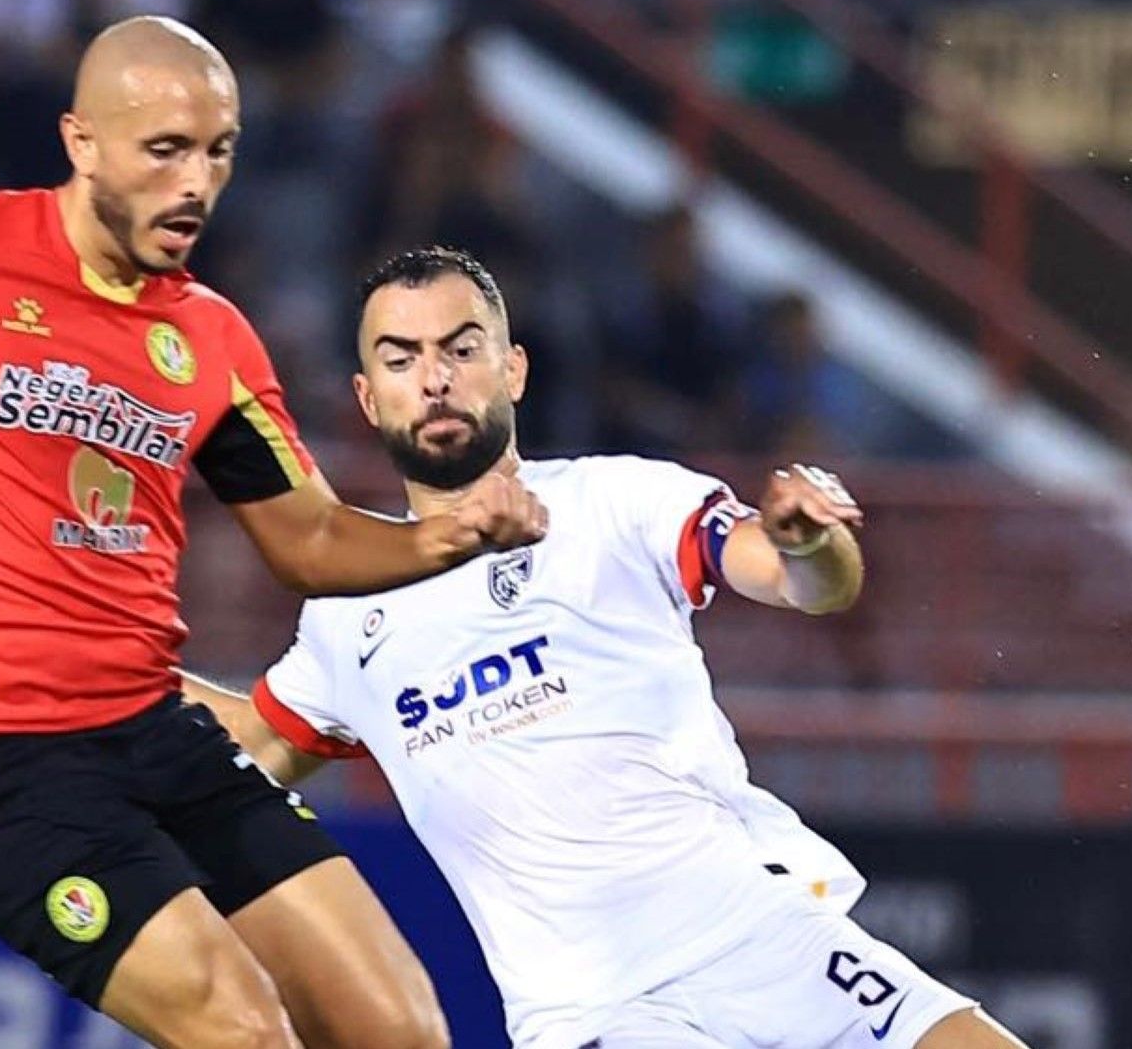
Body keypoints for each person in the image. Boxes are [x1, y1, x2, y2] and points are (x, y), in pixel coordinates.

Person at [0, 18, 547, 1049]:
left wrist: (451, 534)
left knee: (402, 1030)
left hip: (154, 731)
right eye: (166, 151)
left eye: (220, 151)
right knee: (243, 1033)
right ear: (81, 141)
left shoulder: (212, 337)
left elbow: (308, 537)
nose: (197, 182)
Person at [185, 246, 1031, 1049]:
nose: (435, 379)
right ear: (369, 400)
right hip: (593, 1014)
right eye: (401, 359)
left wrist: (807, 542)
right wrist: (84, 660)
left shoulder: (616, 500)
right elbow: (246, 747)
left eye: (461, 348)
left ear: (512, 368)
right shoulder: (347, 615)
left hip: (757, 933)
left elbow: (804, 581)